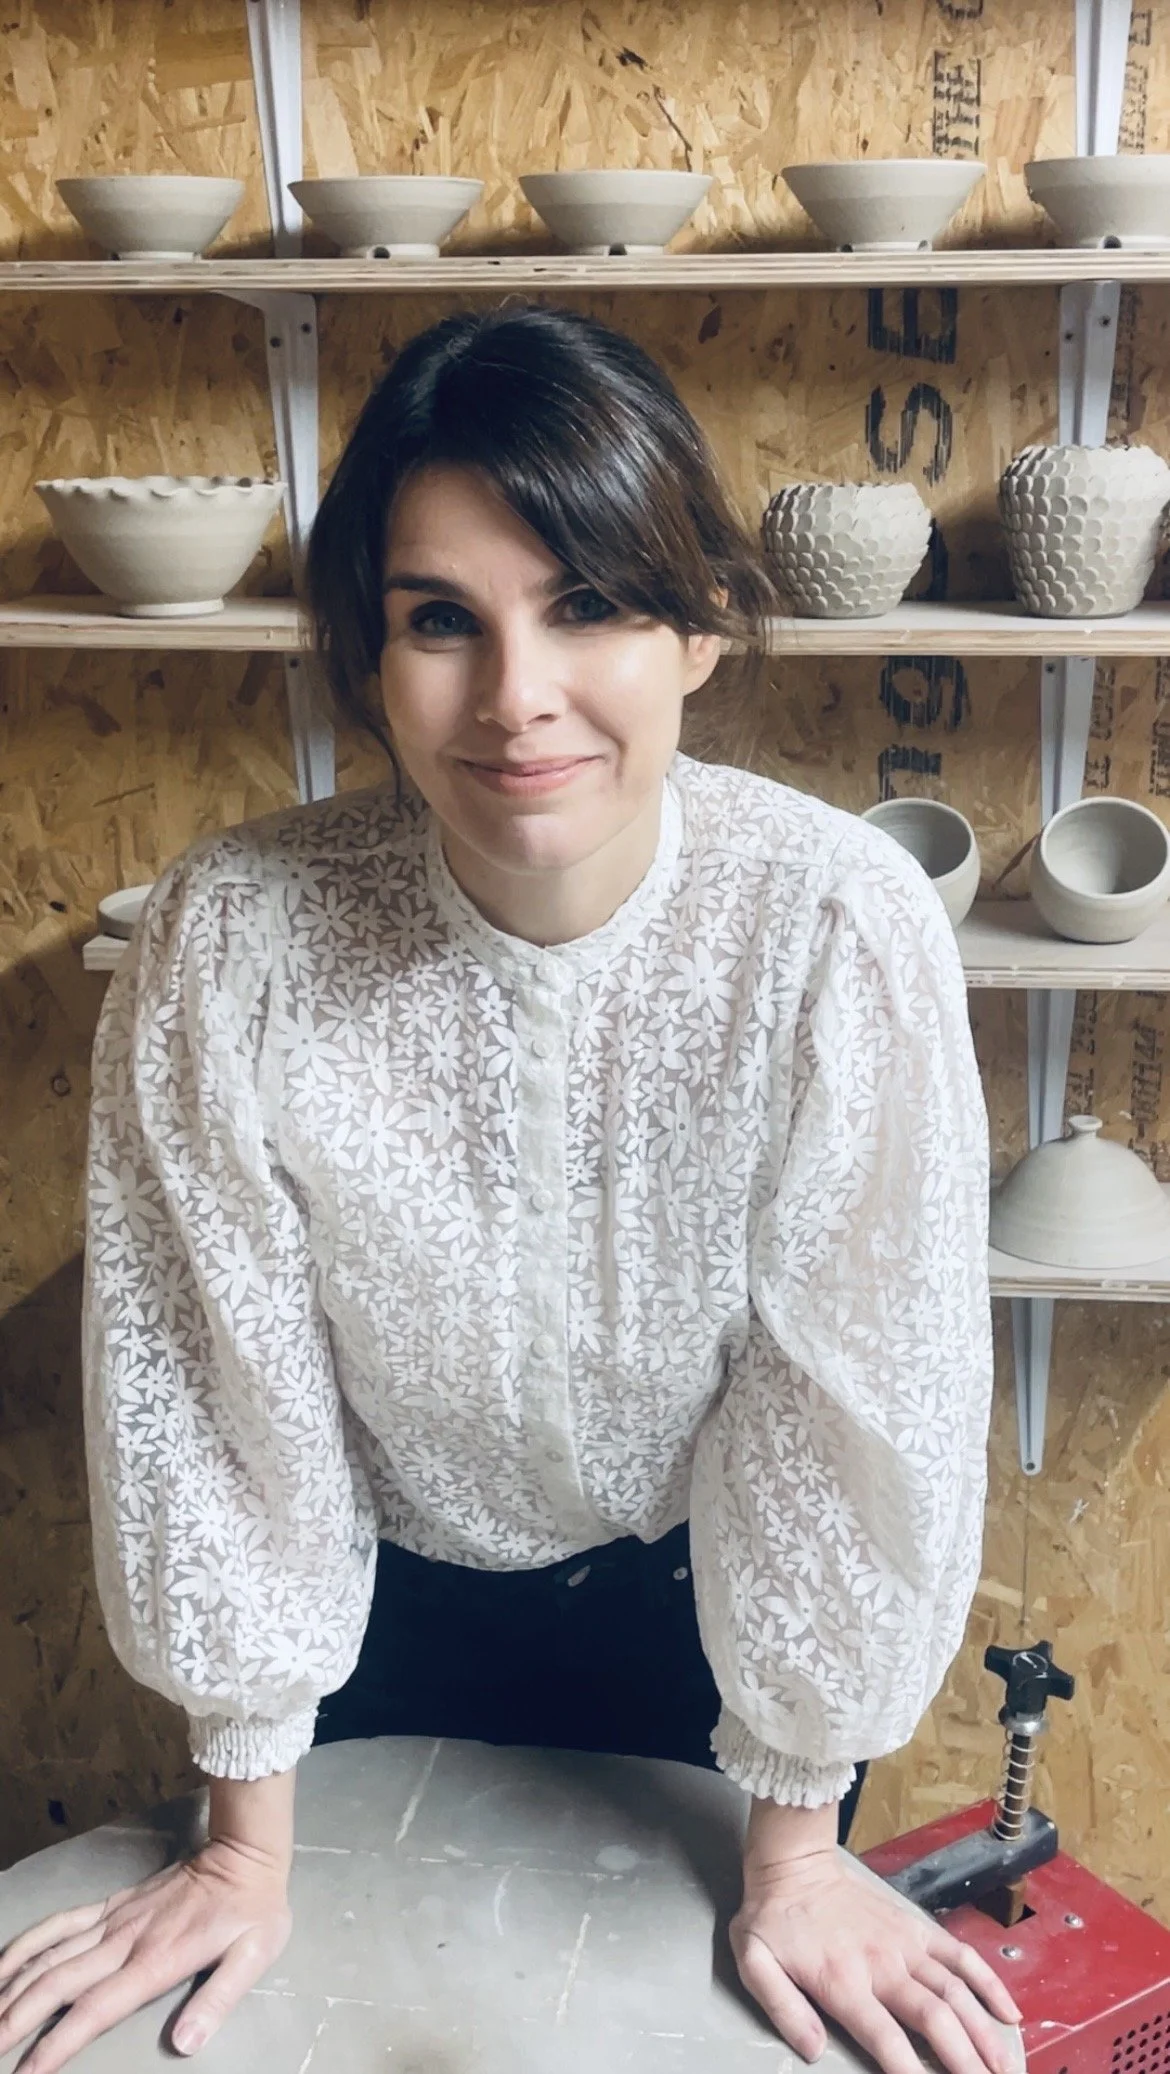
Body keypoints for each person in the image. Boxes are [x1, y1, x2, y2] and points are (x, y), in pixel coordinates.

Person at [0, 303, 1013, 2074]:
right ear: (367, 656)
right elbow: (210, 1385)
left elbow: (852, 1393)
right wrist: (241, 1839)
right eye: (438, 620)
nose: (515, 694)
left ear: (697, 626)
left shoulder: (834, 925)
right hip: (355, 1629)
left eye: (589, 603)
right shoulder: (232, 935)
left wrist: (796, 1843)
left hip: (720, 1633)